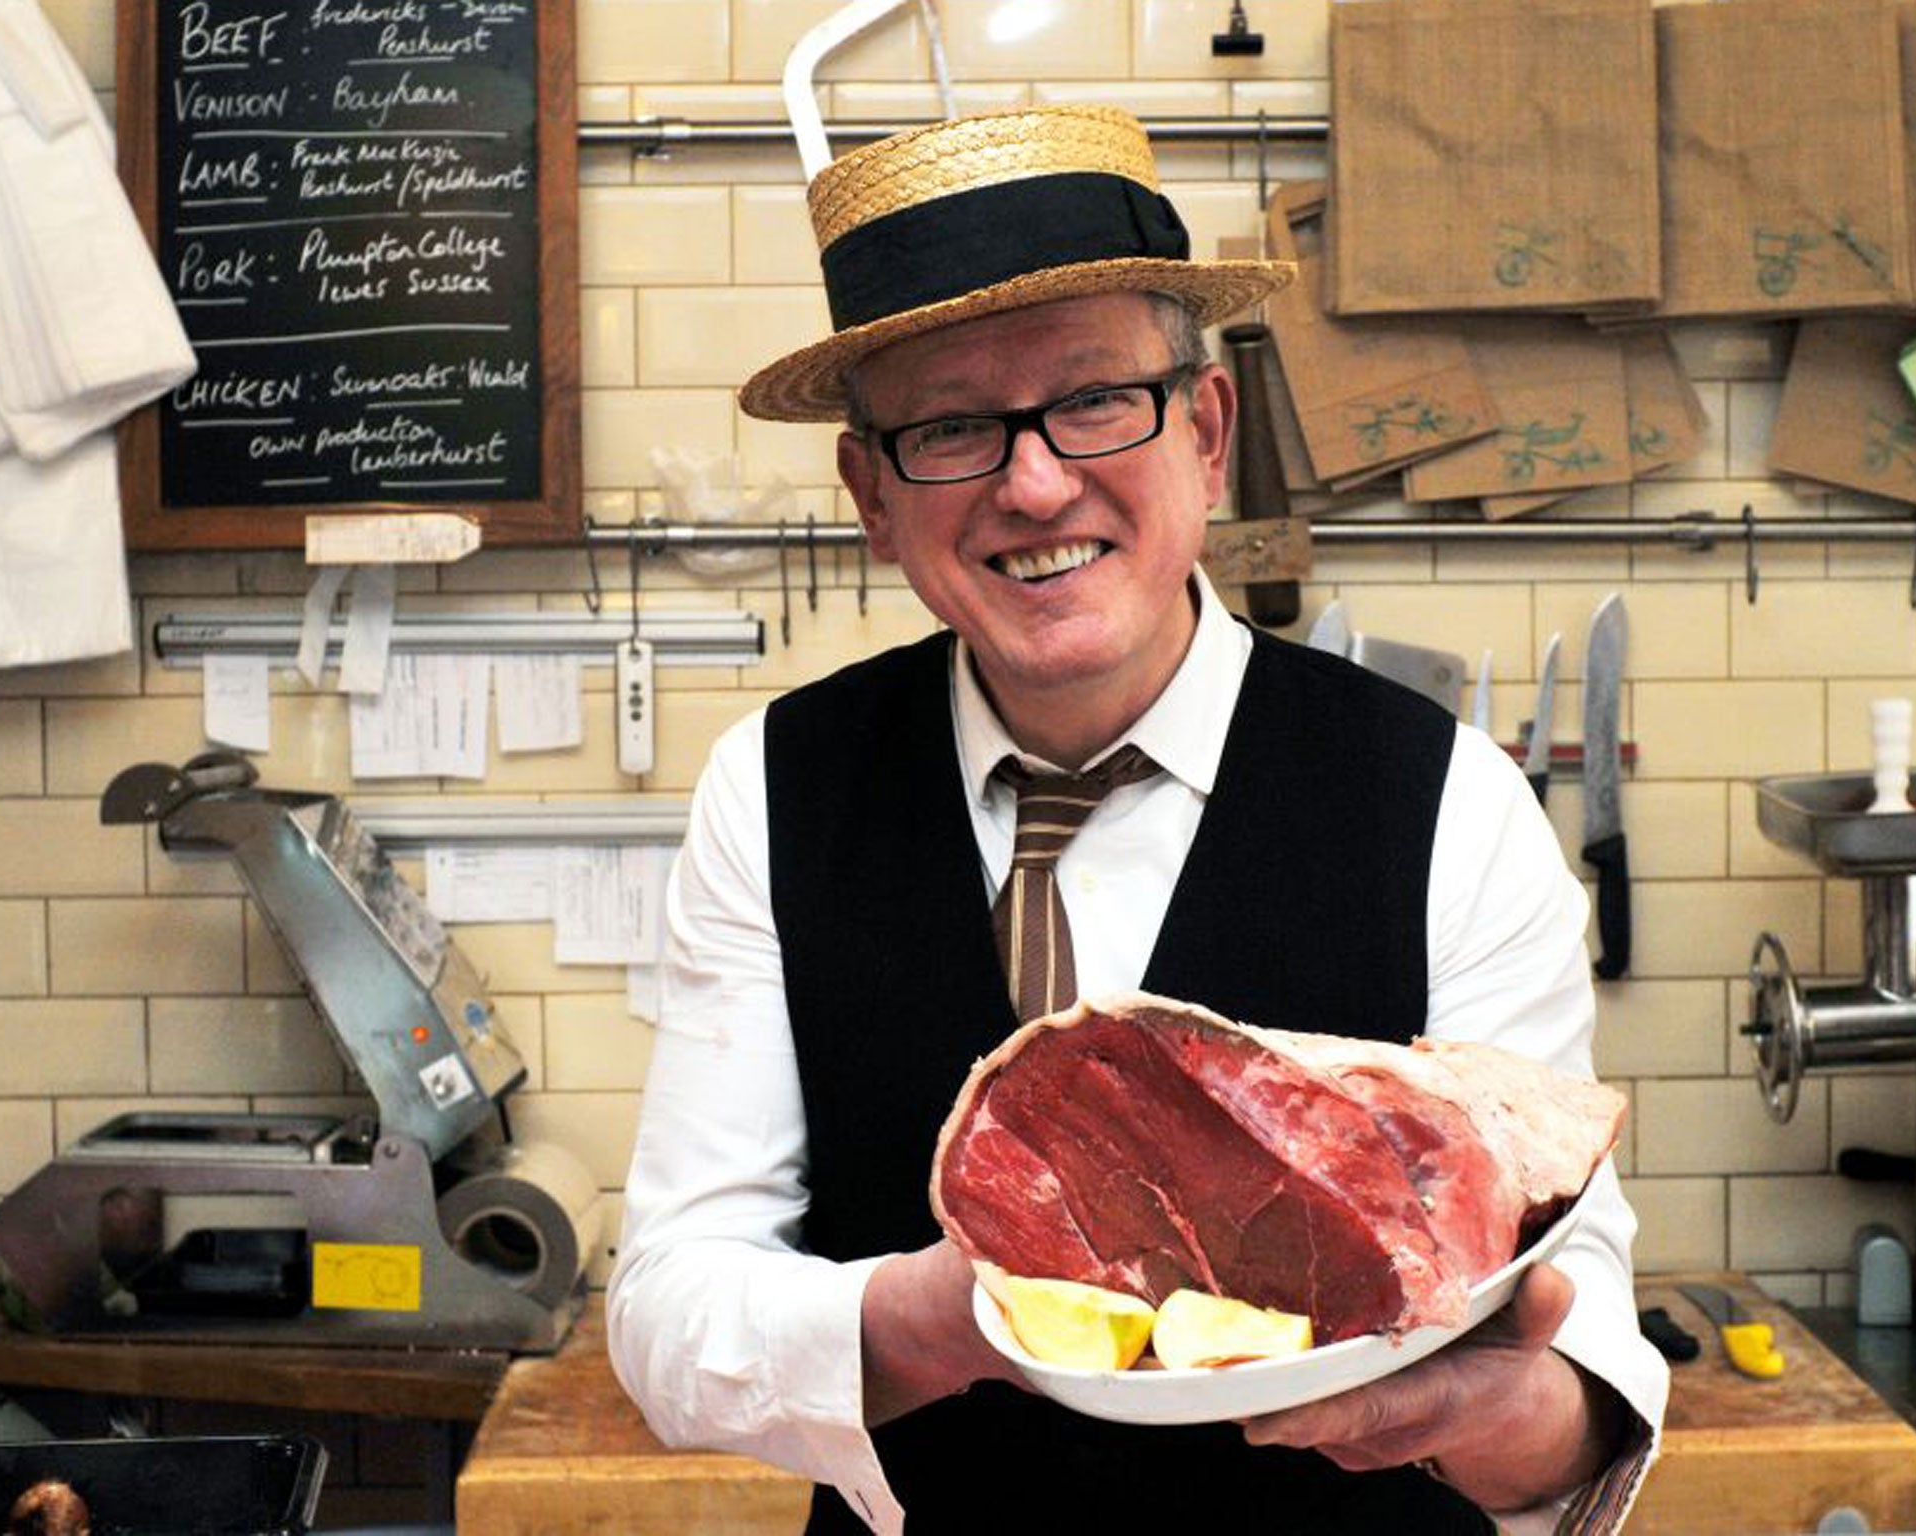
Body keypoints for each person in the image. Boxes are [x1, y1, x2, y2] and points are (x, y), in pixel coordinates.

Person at [608, 104, 1669, 1535]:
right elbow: (672, 1309)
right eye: (950, 427)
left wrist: (1499, 1413)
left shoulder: (1443, 799)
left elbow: (1571, 1316)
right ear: (869, 492)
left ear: (1207, 430)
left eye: (1095, 398)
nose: (1034, 481)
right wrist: (951, 1319)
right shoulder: (778, 788)